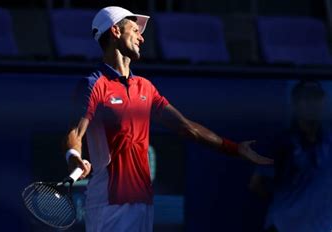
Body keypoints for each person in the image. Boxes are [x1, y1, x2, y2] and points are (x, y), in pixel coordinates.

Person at [64, 6, 274, 232]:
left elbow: (186, 127)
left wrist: (235, 148)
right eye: (135, 30)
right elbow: (76, 132)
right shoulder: (94, 84)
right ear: (115, 31)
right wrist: (74, 156)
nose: (141, 38)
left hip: (143, 201)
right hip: (109, 202)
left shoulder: (145, 87)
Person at [249, 80, 332, 232]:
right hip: (285, 225)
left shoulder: (329, 142)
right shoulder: (281, 143)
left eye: (316, 98)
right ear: (296, 104)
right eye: (306, 99)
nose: (312, 104)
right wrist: (289, 201)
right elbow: (257, 184)